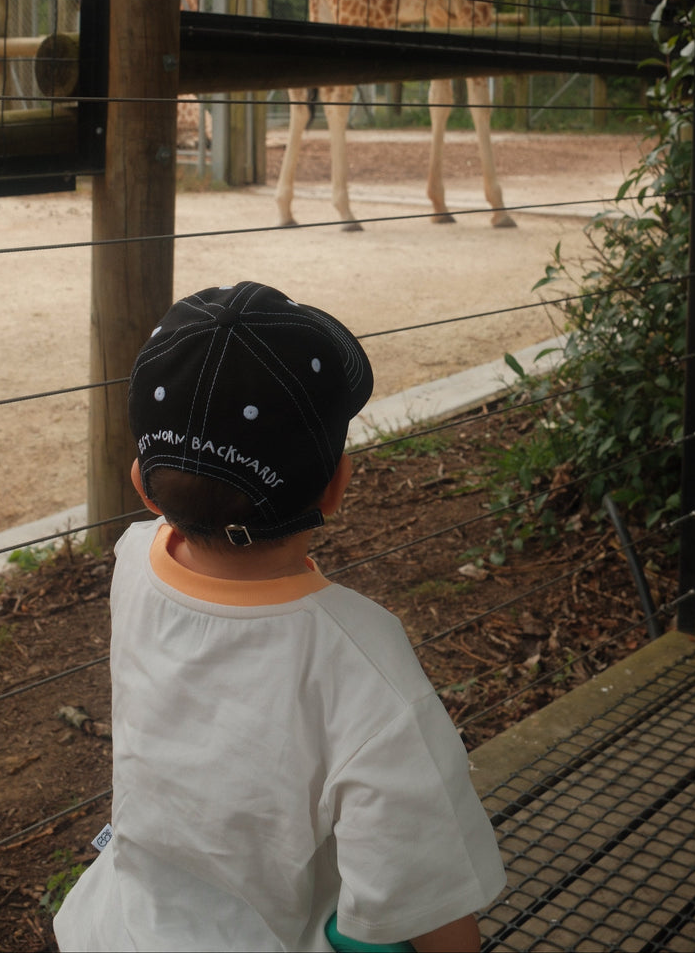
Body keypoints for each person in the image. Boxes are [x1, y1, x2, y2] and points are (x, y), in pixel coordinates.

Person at [53, 281, 506, 953]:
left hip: (119, 928)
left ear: (144, 484)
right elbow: (425, 895)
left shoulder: (135, 561)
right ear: (337, 486)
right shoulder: (362, 665)